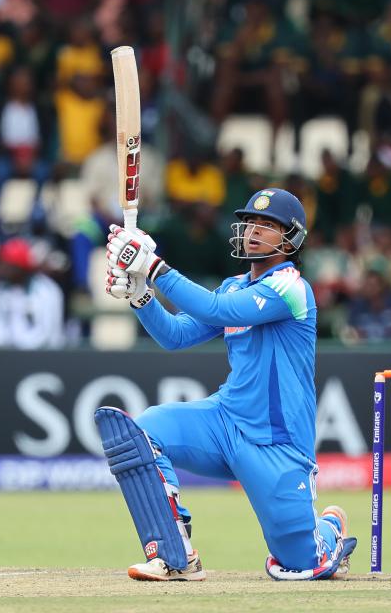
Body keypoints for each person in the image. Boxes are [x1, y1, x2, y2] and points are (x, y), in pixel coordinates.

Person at [99, 188, 356, 581]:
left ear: (292, 238)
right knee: (145, 430)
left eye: (268, 225)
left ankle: (330, 530)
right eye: (251, 221)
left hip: (277, 444)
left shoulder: (290, 288)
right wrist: (141, 295)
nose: (254, 230)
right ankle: (175, 552)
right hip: (225, 423)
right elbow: (176, 336)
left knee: (302, 564)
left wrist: (154, 267)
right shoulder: (234, 284)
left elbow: (216, 311)